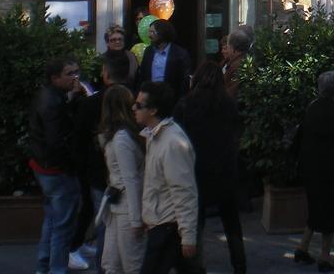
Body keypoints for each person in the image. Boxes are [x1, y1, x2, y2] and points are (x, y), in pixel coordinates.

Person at [175, 61, 247, 274]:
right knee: (232, 222)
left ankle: (197, 266)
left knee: (195, 222)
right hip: (224, 169)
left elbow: (178, 137)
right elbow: (237, 134)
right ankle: (240, 265)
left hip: (196, 170)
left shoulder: (186, 104)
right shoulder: (228, 104)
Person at [70, 52, 131, 271]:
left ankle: (105, 267)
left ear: (105, 73)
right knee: (122, 223)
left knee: (106, 223)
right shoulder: (136, 100)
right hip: (124, 172)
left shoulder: (91, 104)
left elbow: (78, 140)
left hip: (99, 172)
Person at [134, 81, 202, 274]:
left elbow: (184, 190)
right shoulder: (155, 137)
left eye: (139, 105)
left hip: (168, 228)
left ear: (153, 110)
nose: (134, 108)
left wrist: (188, 236)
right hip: (160, 224)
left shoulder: (173, 143)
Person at [29, 56, 85, 274]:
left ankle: (43, 267)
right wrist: (70, 164)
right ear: (54, 78)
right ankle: (57, 269)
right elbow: (56, 140)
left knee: (52, 221)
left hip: (44, 166)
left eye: (77, 72)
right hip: (55, 169)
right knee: (62, 226)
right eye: (70, 74)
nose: (75, 77)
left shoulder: (49, 95)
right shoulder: (53, 102)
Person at [294, 70, 334, 272]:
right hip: (328, 170)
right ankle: (325, 257)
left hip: (309, 167)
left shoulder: (312, 107)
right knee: (328, 213)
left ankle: (303, 247)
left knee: (315, 207)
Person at [98, 84, 146, 274]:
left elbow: (131, 180)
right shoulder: (122, 136)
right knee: (112, 263)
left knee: (130, 264)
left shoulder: (121, 139)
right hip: (118, 206)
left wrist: (136, 220)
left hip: (126, 208)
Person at [136, 19, 192, 100]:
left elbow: (184, 82)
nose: (149, 35)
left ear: (162, 33)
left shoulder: (180, 54)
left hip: (171, 100)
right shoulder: (149, 51)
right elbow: (142, 77)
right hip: (150, 99)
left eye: (152, 32)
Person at [223, 29, 250, 99]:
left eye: (228, 47)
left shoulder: (237, 66)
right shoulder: (244, 61)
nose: (226, 50)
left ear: (233, 48)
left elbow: (232, 93)